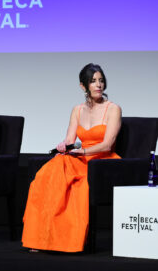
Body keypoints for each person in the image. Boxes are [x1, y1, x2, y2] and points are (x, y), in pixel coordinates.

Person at [22, 63, 122, 252]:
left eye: (101, 81)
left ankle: (67, 241)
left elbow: (108, 144)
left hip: (103, 162)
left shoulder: (113, 109)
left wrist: (83, 151)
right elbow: (70, 139)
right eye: (93, 81)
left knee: (78, 185)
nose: (98, 85)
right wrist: (64, 146)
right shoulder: (77, 110)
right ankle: (41, 238)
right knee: (47, 176)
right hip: (82, 159)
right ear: (83, 86)